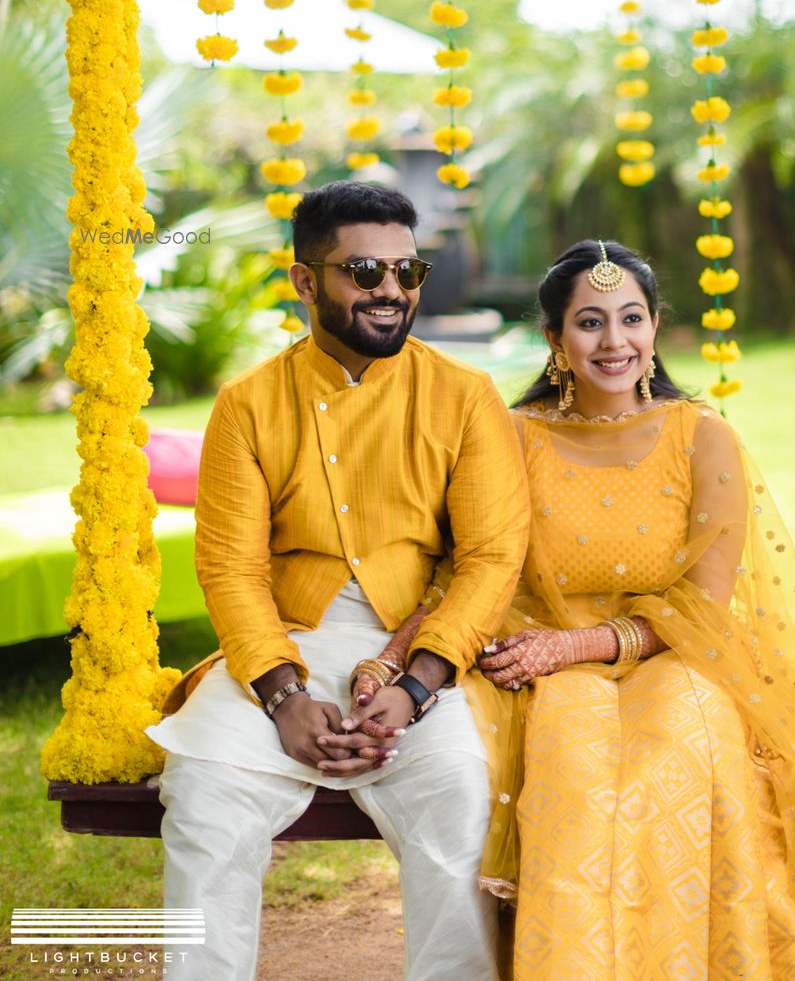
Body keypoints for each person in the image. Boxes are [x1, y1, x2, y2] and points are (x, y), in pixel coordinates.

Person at [462, 239, 795, 981]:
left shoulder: (702, 437)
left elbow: (703, 603)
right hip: (540, 663)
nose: (615, 342)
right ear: (553, 340)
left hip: (676, 653)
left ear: (656, 327)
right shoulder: (513, 439)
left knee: (684, 742)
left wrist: (579, 647)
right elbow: (477, 564)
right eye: (590, 322)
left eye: (632, 318)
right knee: (572, 760)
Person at [146, 181, 530, 981]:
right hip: (279, 649)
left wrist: (419, 687)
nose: (392, 290)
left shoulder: (464, 398)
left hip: (417, 651)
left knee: (459, 793)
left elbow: (493, 557)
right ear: (305, 281)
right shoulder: (247, 407)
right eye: (365, 270)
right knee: (207, 796)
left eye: (408, 270)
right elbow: (229, 568)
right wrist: (283, 698)